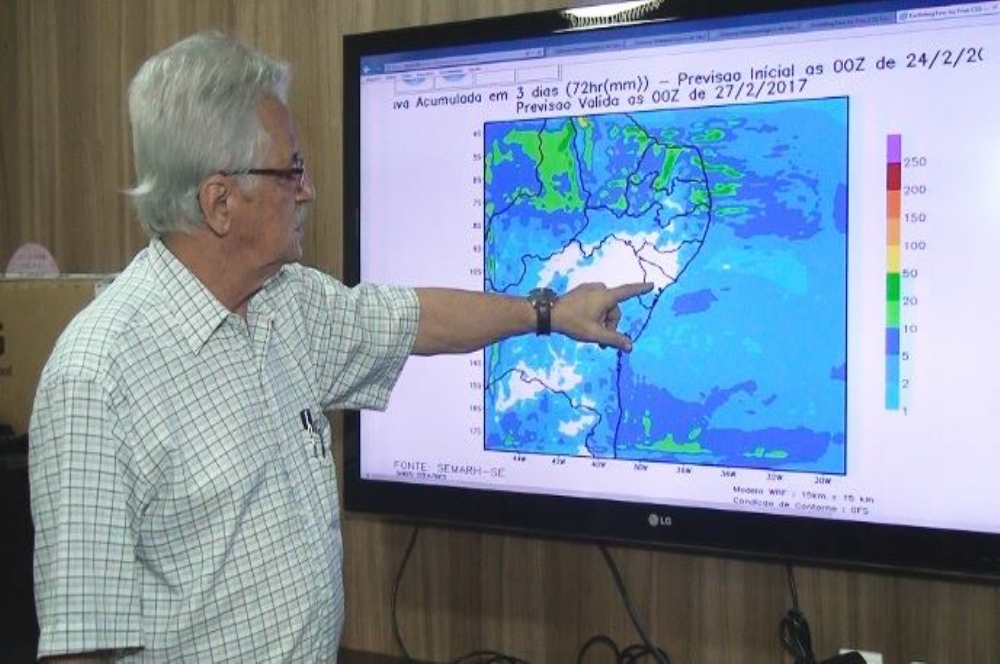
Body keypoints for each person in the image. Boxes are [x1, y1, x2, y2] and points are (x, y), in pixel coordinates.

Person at [28, 32, 652, 662]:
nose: (308, 190)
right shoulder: (98, 378)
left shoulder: (287, 303)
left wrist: (549, 313)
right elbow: (79, 647)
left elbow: (419, 319)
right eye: (291, 170)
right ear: (221, 201)